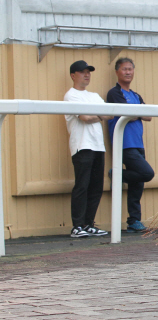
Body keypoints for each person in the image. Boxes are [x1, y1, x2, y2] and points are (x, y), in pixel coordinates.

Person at [64, 60, 112, 238]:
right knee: (82, 185)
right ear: (73, 75)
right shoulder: (71, 95)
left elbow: (110, 114)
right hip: (82, 145)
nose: (87, 75)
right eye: (83, 72)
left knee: (96, 186)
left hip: (98, 146)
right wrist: (99, 114)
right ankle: (77, 226)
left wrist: (96, 115)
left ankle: (88, 223)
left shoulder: (94, 96)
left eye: (89, 72)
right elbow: (84, 117)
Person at [106, 58, 155, 233]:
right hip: (125, 144)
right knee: (147, 173)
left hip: (138, 143)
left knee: (138, 183)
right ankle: (117, 174)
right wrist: (137, 111)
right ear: (117, 72)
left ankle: (134, 221)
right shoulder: (114, 93)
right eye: (124, 69)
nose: (128, 72)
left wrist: (137, 112)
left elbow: (148, 116)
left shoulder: (135, 95)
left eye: (130, 69)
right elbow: (129, 114)